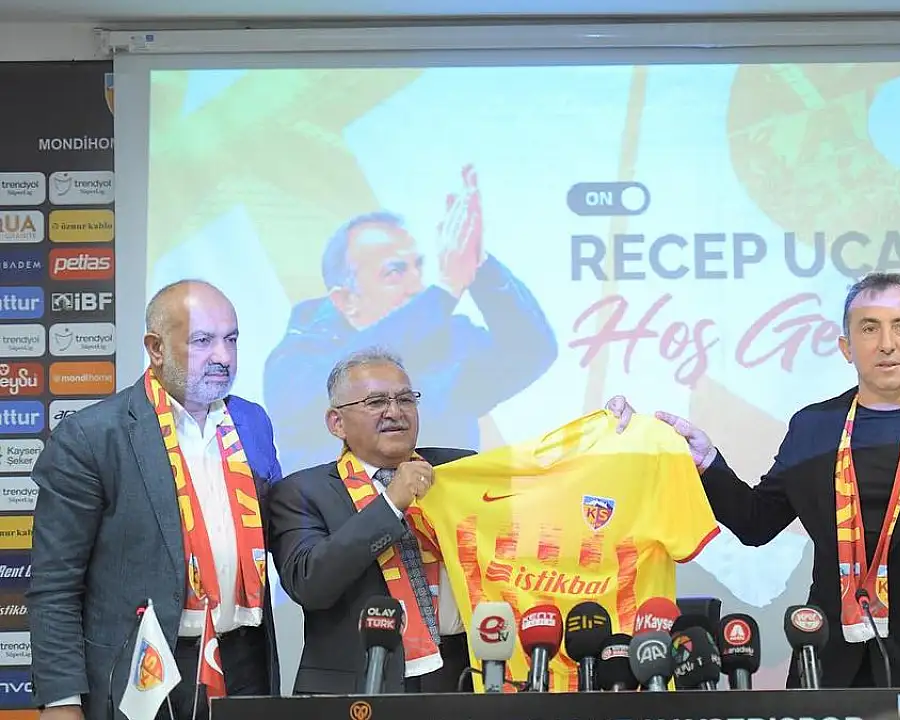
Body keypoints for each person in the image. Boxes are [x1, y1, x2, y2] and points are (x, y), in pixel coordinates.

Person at [609, 272, 900, 689]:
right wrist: (707, 463)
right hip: (828, 664)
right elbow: (756, 522)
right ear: (846, 347)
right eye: (869, 328)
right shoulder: (814, 428)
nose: (887, 343)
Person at [28, 280, 282, 720]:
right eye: (202, 341)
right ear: (156, 348)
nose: (223, 356)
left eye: (231, 339)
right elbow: (55, 584)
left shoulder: (252, 421)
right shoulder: (92, 437)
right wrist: (61, 699)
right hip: (145, 669)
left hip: (244, 663)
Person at [263, 165, 557, 474]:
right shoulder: (296, 361)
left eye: (418, 267)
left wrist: (478, 263)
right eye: (394, 272)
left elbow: (531, 351)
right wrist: (445, 290)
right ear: (347, 300)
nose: (416, 286)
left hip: (443, 503)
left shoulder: (446, 338)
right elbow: (351, 374)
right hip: (347, 506)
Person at [267, 348, 474, 694]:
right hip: (358, 684)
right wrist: (391, 504)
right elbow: (310, 584)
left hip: (459, 678)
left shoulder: (458, 471)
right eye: (376, 402)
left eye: (405, 399)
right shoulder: (301, 491)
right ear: (337, 423)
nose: (395, 412)